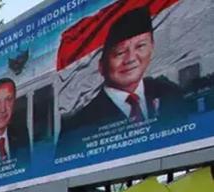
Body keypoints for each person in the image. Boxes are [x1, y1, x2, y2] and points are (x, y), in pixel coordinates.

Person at [57, 6, 187, 158]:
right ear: (101, 66)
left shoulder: (171, 94)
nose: (131, 59)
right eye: (119, 52)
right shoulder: (77, 125)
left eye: (140, 46)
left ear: (152, 47)